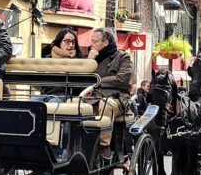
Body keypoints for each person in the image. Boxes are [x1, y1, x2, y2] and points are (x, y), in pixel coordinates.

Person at [81, 27, 134, 160]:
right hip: (92, 98)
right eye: (91, 41)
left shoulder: (123, 56)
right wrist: (89, 61)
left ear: (105, 43)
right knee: (72, 104)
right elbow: (82, 80)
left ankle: (105, 146)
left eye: (95, 41)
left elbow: (122, 79)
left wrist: (97, 82)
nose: (91, 44)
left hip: (117, 98)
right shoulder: (91, 58)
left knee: (106, 104)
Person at [37, 28, 84, 101]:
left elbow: (81, 85)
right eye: (67, 42)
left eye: (73, 42)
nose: (71, 45)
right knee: (31, 102)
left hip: (67, 96)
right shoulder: (48, 60)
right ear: (59, 42)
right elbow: (37, 84)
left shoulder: (79, 61)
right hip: (46, 95)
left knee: (53, 103)